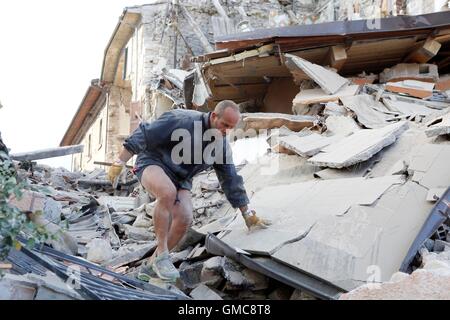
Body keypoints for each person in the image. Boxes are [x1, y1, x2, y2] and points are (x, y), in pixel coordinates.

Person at [108, 100, 270, 282]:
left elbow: (231, 179)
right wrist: (119, 161)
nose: (226, 131)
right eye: (225, 125)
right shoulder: (182, 119)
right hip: (153, 162)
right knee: (167, 192)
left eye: (231, 128)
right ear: (214, 116)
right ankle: (162, 256)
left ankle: (151, 266)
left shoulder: (221, 146)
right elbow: (146, 132)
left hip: (181, 179)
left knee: (185, 218)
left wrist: (247, 214)